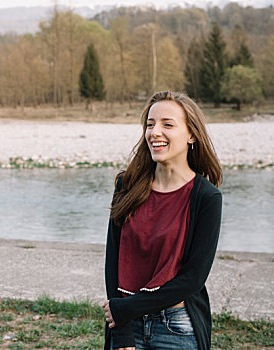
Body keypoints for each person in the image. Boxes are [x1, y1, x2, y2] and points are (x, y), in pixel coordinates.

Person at [103, 91, 223, 350]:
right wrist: (121, 326)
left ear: (191, 134)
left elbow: (193, 278)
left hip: (176, 328)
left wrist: (124, 308)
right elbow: (113, 261)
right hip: (127, 325)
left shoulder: (206, 197)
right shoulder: (127, 185)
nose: (154, 132)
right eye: (150, 124)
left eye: (167, 124)